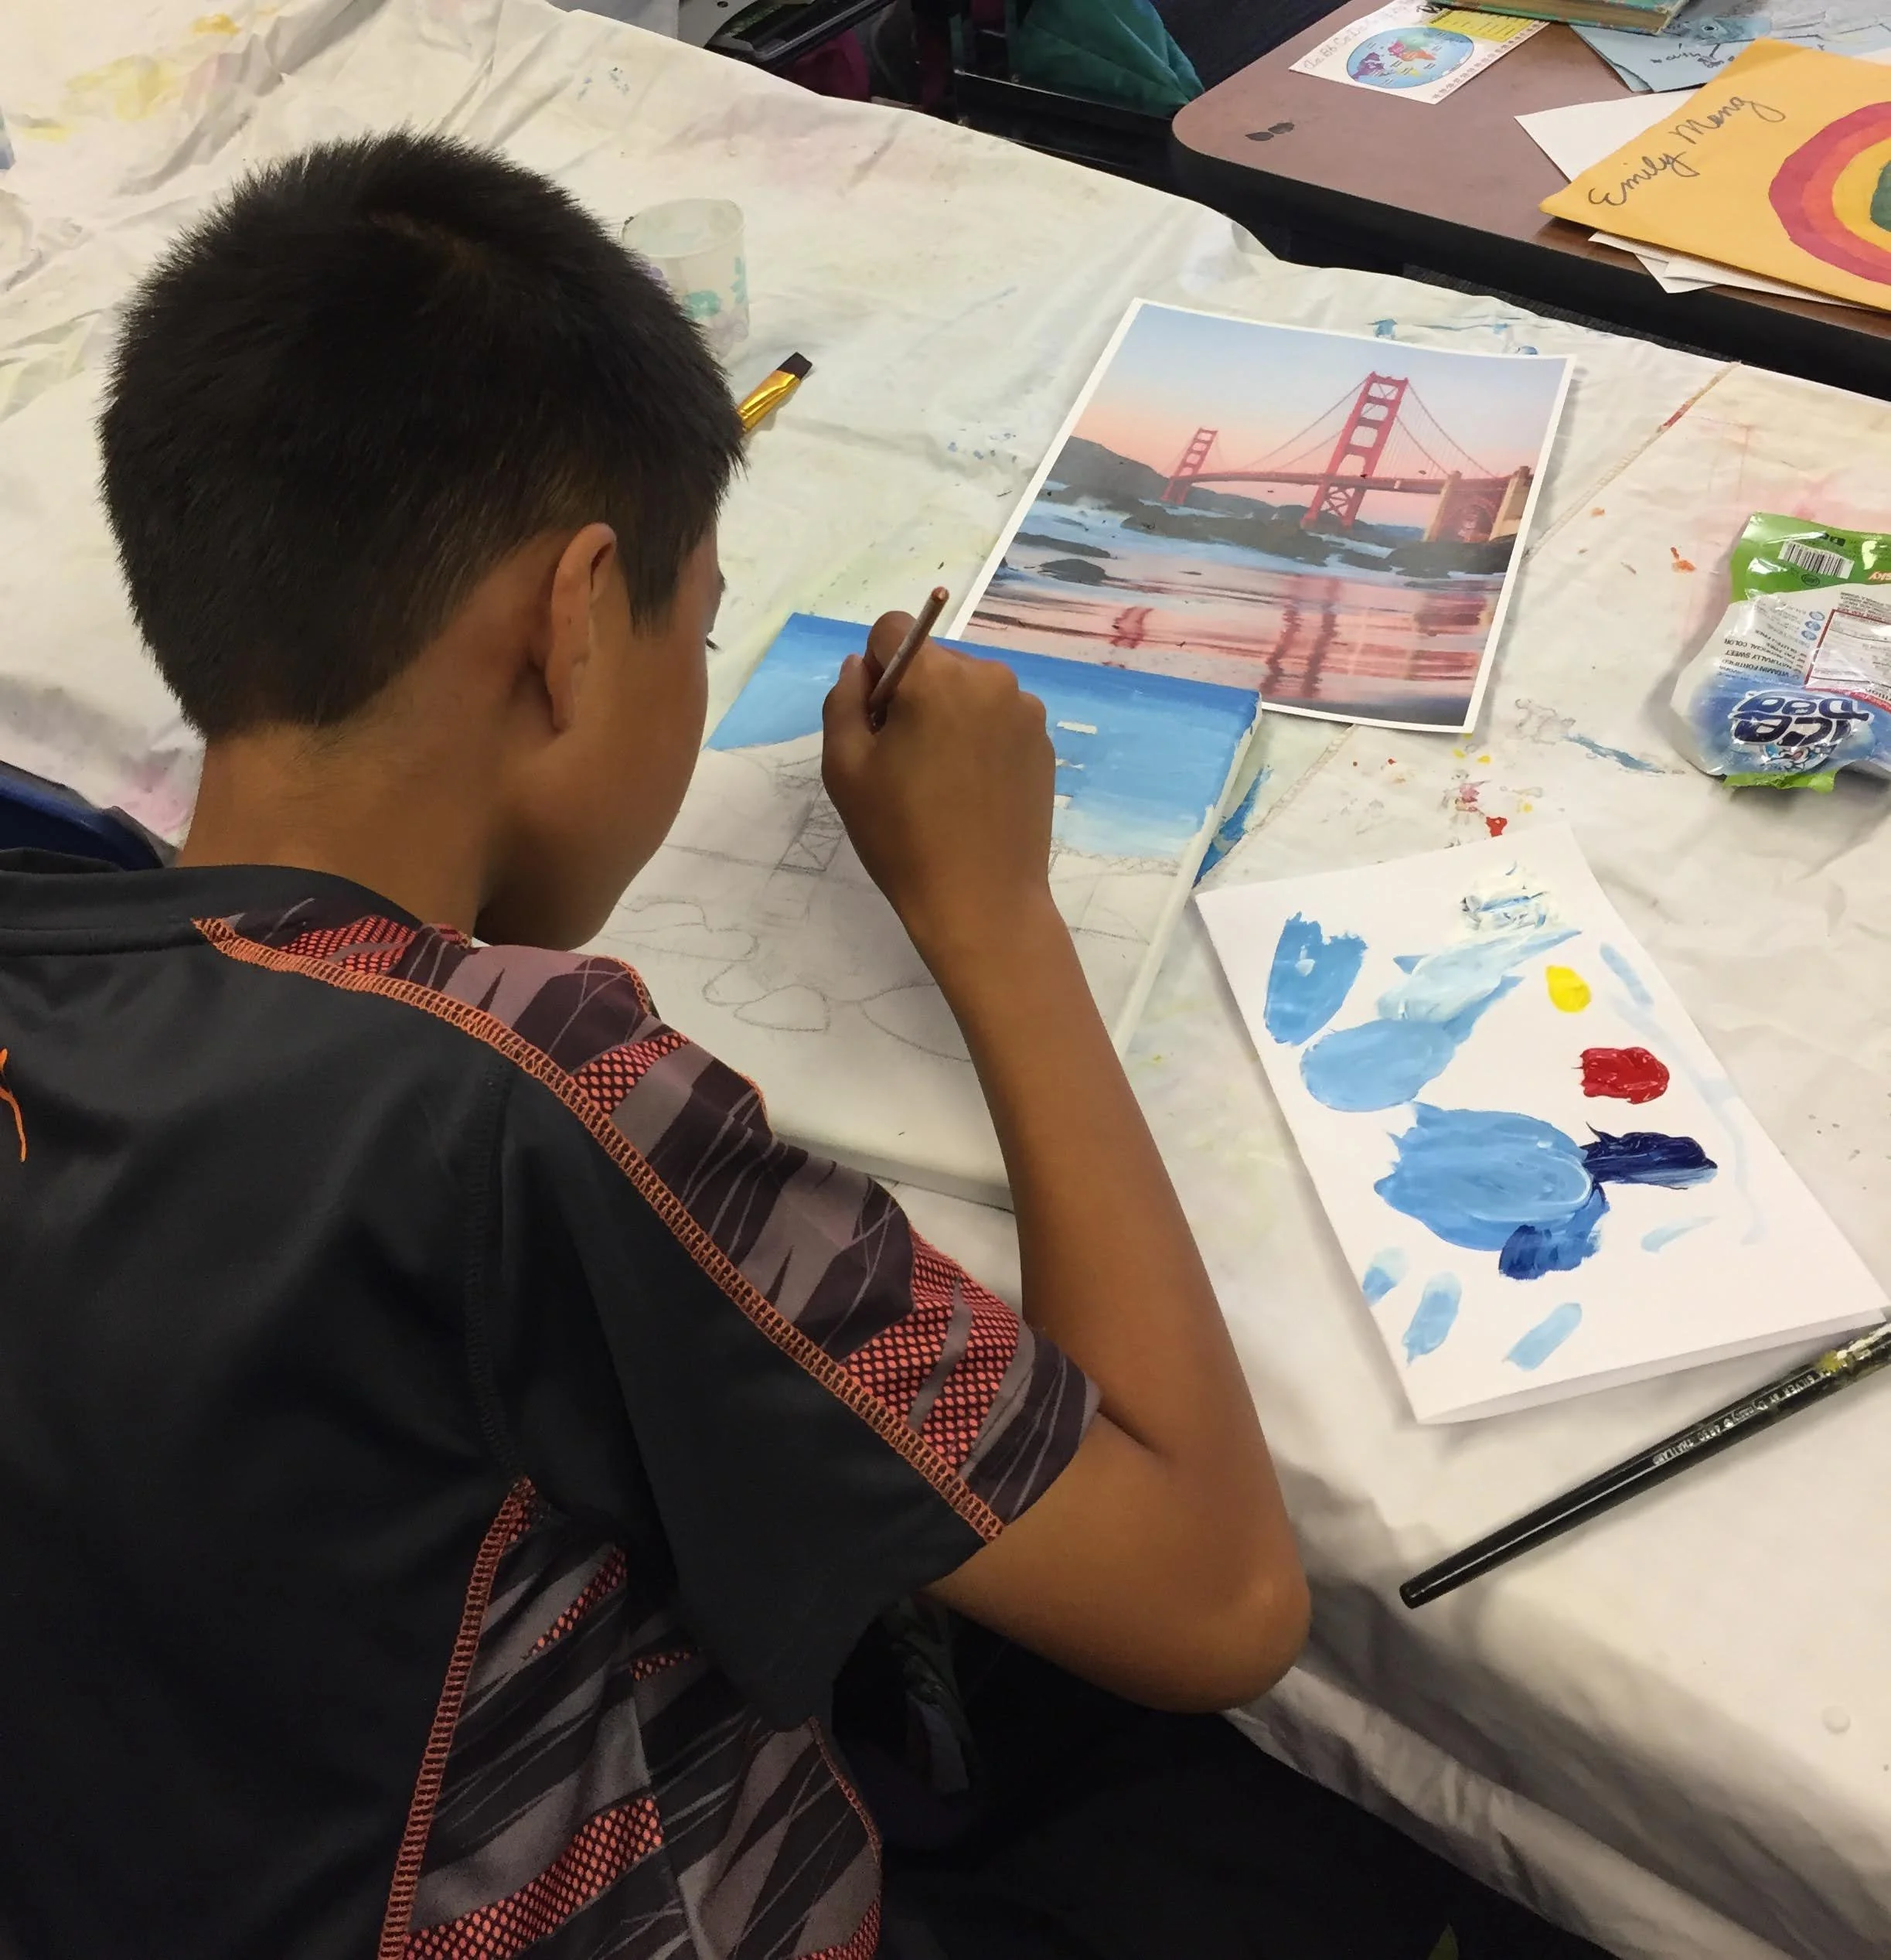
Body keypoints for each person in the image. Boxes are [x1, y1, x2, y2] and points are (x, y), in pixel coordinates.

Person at [0, 131, 1306, 1959]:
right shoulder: (521, 1095)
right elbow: (1218, 1595)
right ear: (567, 621)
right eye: (696, 623)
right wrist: (997, 919)